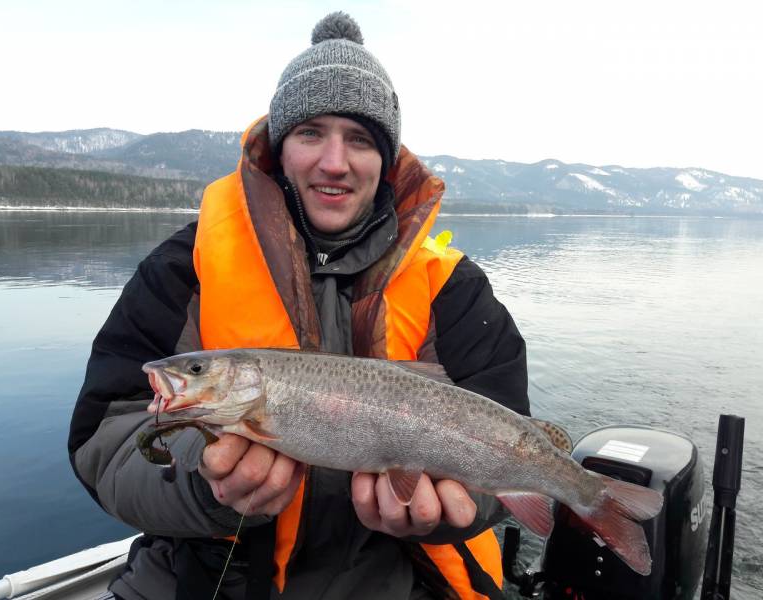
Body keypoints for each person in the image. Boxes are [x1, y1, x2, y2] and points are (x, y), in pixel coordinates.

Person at [68, 12, 530, 600]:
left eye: (359, 138)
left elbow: (508, 436)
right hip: (206, 580)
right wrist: (201, 482)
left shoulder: (456, 290)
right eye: (311, 132)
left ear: (385, 161)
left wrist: (454, 508)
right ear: (280, 148)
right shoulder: (182, 270)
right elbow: (100, 443)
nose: (333, 162)